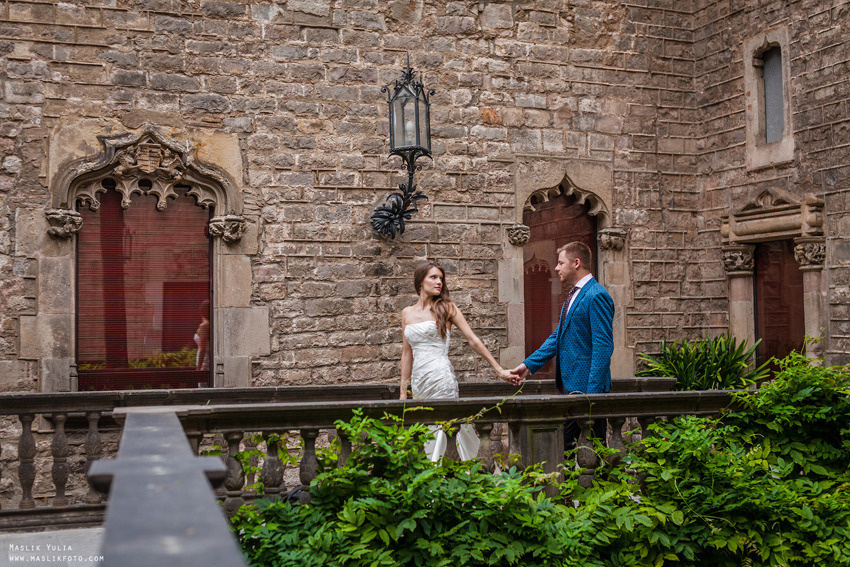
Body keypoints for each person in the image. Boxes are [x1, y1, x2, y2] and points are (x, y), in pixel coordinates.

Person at [401, 261, 516, 461]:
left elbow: (473, 340)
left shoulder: (447, 308)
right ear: (420, 281)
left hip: (441, 378)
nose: (439, 282)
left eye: (441, 278)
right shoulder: (407, 313)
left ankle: (452, 475)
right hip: (420, 382)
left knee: (448, 426)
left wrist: (499, 369)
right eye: (433, 277)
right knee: (425, 426)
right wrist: (403, 391)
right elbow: (406, 353)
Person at [510, 241, 614, 449]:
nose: (556, 268)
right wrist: (528, 366)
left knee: (578, 447)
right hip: (570, 386)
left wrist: (591, 396)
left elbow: (603, 346)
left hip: (585, 390)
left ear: (576, 263)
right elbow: (558, 337)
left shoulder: (596, 295)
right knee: (587, 448)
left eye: (560, 263)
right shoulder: (574, 294)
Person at [194, 299, 210, 373]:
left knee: (202, 383)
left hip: (204, 361)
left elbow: (202, 349)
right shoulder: (209, 324)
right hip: (206, 358)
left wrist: (198, 368)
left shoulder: (204, 326)